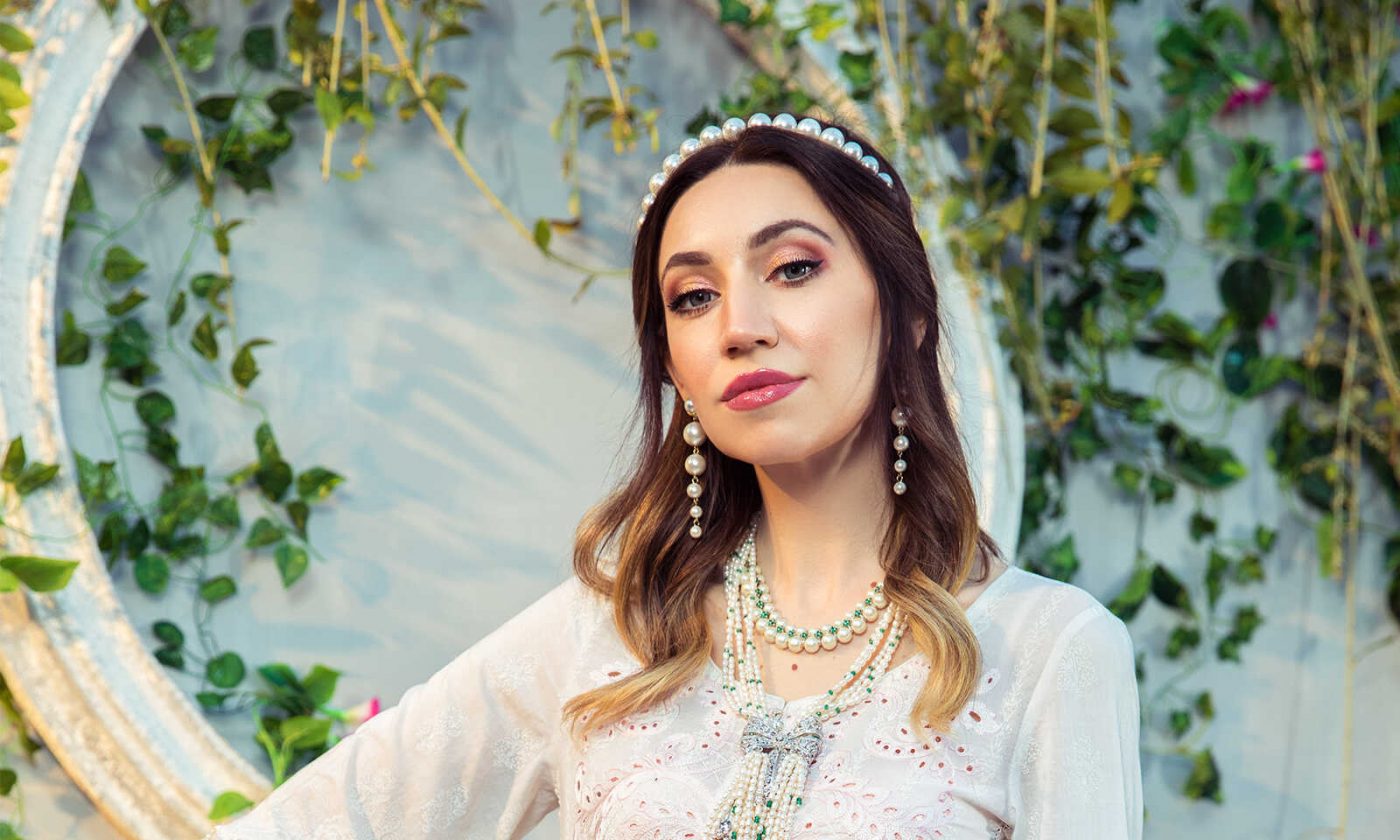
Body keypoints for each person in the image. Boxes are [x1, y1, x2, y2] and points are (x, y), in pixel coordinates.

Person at [208, 113, 1143, 839]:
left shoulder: (1047, 651)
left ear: (904, 313)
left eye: (793, 268)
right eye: (694, 296)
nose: (740, 326)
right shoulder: (608, 630)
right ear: (676, 369)